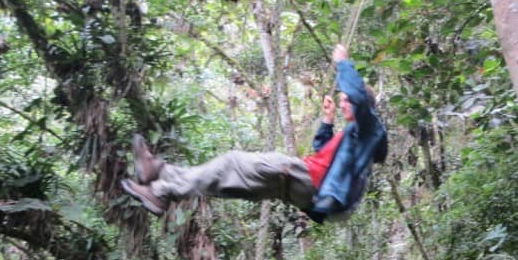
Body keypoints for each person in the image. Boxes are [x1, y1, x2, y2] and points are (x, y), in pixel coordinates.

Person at [120, 43, 387, 223]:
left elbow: (358, 99)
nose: (342, 103)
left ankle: (163, 188)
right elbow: (325, 157)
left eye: (345, 100)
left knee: (232, 163)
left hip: (309, 185)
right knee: (230, 180)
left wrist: (343, 63)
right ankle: (160, 177)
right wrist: (327, 122)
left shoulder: (369, 128)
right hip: (307, 189)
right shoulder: (353, 135)